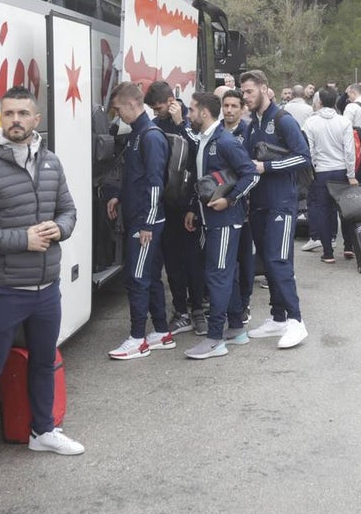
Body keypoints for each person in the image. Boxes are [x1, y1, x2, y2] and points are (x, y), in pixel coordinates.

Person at [0, 86, 85, 486]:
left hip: (47, 287)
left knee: (44, 362)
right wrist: (22, 239)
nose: (15, 120)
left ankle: (42, 432)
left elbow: (69, 210)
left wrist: (59, 229)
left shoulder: (51, 163)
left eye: (23, 113)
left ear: (36, 119)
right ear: (0, 117)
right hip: (4, 289)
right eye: (8, 113)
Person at [181, 92, 260, 359]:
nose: (188, 115)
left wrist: (229, 200)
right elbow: (202, 180)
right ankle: (236, 328)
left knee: (218, 275)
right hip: (209, 220)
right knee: (224, 274)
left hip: (225, 221)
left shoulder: (224, 141)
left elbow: (250, 175)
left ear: (204, 113)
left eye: (191, 110)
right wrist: (194, 209)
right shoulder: (205, 139)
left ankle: (215, 338)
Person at [240, 69, 310, 349]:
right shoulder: (251, 123)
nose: (245, 97)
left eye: (249, 91)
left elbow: (303, 157)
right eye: (243, 92)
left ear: (264, 89)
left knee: (279, 261)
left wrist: (266, 167)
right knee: (268, 262)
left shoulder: (283, 119)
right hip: (258, 204)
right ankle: (278, 317)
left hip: (282, 203)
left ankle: (296, 321)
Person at [105, 82, 174, 360]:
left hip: (146, 223)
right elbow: (137, 178)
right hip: (140, 219)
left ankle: (137, 339)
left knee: (137, 278)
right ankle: (160, 332)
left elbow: (156, 184)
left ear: (132, 105)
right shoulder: (137, 134)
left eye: (119, 109)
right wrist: (120, 197)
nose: (117, 114)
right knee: (151, 277)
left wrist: (147, 223)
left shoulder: (150, 136)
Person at [144, 80, 206, 336]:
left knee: (194, 261)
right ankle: (180, 310)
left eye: (159, 107)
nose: (157, 112)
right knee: (173, 262)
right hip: (166, 205)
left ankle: (199, 309)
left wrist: (182, 124)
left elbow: (198, 151)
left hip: (190, 203)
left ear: (171, 101)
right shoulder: (155, 125)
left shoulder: (191, 119)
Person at [302, 87, 358, 263]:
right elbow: (349, 150)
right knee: (345, 210)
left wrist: (313, 169)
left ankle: (328, 252)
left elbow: (309, 150)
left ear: (318, 102)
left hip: (321, 171)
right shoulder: (344, 122)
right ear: (335, 101)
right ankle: (348, 246)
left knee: (324, 211)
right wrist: (351, 173)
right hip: (341, 169)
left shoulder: (310, 123)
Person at [221, 89, 256, 323]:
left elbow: (252, 171)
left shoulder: (249, 132)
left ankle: (244, 302)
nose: (230, 110)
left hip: (245, 204)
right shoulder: (215, 131)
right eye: (226, 106)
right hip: (220, 206)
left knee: (245, 258)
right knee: (226, 260)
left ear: (242, 108)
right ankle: (227, 303)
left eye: (234, 106)